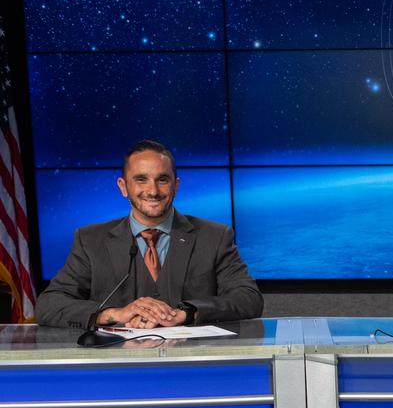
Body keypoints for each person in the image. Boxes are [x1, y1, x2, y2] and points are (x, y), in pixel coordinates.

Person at [36, 140, 262, 330]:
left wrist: (188, 313)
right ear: (123, 186)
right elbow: (49, 304)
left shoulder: (214, 236)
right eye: (141, 179)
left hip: (194, 365)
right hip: (117, 367)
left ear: (176, 186)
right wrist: (114, 314)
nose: (153, 191)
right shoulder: (90, 240)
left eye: (162, 180)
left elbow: (248, 298)